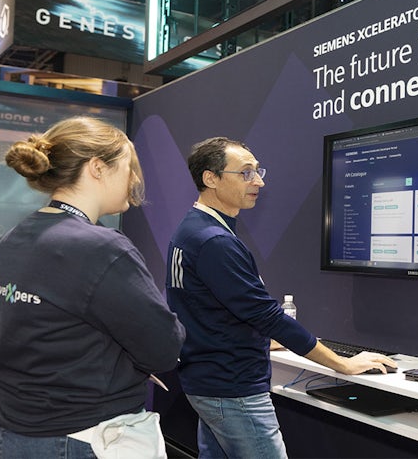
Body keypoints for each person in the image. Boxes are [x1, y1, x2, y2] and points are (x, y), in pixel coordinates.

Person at [166, 137, 396, 458]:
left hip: (209, 381)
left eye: (258, 171)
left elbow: (210, 308)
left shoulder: (191, 230)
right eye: (246, 173)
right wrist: (341, 363)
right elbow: (267, 315)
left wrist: (263, 339)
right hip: (233, 389)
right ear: (211, 179)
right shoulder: (214, 241)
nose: (258, 181)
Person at [0, 116, 187, 459]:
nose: (134, 178)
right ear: (97, 168)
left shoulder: (17, 236)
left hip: (1, 430)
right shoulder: (102, 248)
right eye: (128, 166)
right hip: (75, 436)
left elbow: (28, 329)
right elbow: (163, 349)